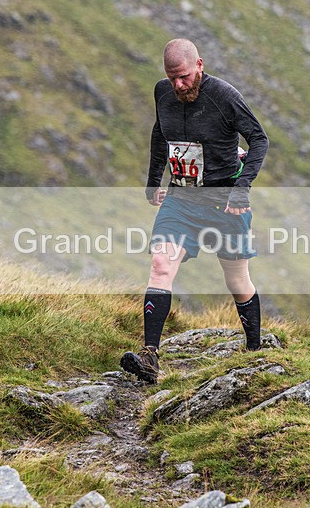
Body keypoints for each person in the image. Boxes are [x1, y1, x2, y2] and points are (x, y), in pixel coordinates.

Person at [120, 38, 269, 383]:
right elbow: (160, 133)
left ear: (200, 64)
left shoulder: (225, 97)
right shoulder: (163, 93)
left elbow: (259, 139)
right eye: (172, 78)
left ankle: (254, 351)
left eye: (184, 77)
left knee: (236, 279)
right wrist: (153, 179)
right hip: (181, 199)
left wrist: (241, 190)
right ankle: (150, 358)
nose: (178, 85)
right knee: (160, 264)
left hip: (224, 203)